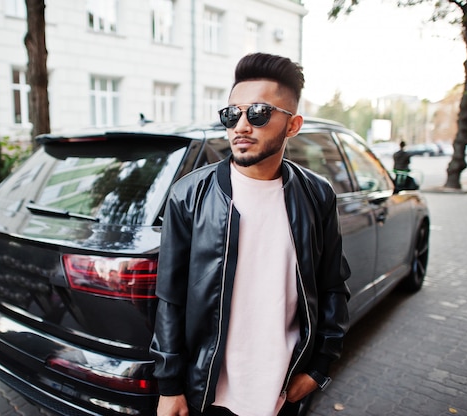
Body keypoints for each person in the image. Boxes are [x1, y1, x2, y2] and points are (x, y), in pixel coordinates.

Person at [150, 52, 351, 416]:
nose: (241, 126)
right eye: (232, 114)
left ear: (293, 126)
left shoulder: (317, 195)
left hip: (282, 391)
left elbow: (332, 286)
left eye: (258, 113)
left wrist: (320, 368)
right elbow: (171, 297)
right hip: (208, 393)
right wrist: (170, 386)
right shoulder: (189, 195)